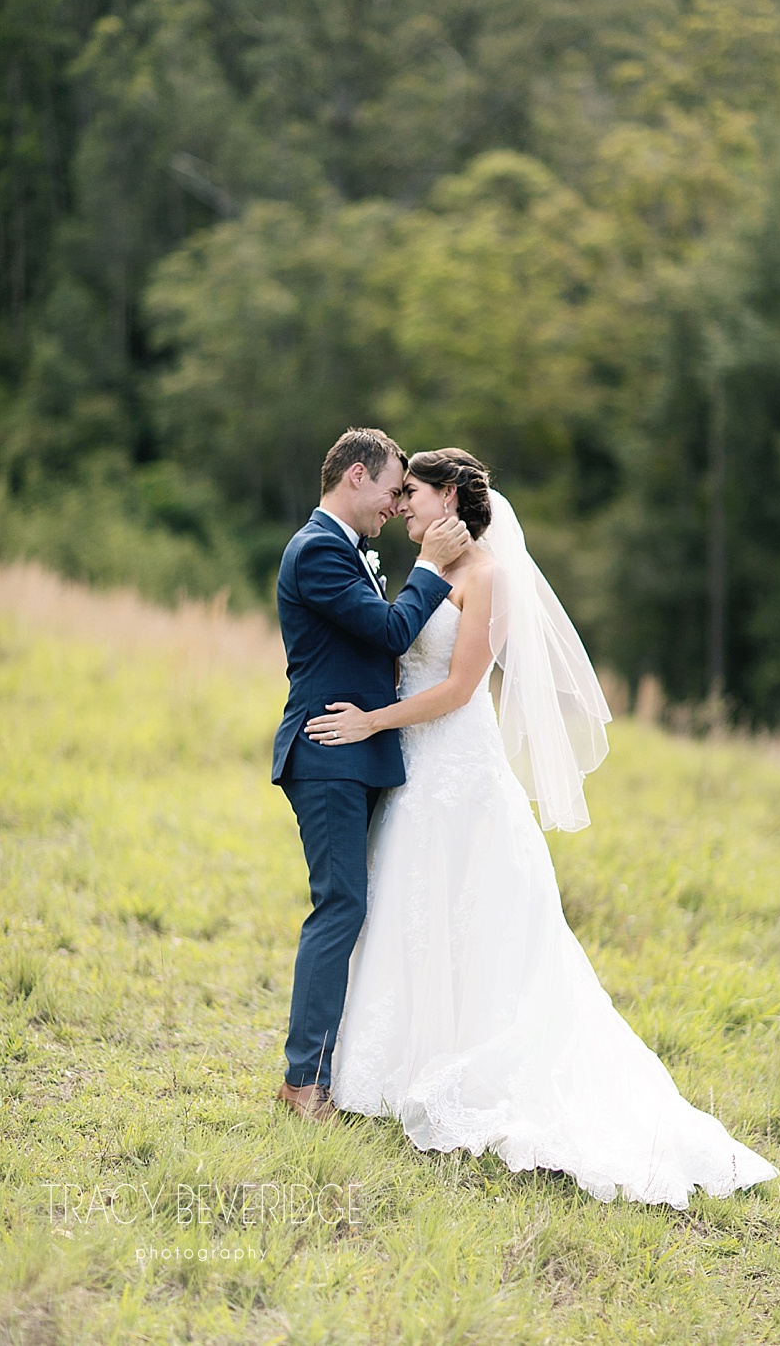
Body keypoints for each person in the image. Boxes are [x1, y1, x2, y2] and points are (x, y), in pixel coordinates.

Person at [304, 447, 778, 1206]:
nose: (404, 507)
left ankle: (475, 1068)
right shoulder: (428, 565)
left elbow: (460, 689)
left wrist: (371, 722)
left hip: (459, 771)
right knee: (410, 910)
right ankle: (397, 1062)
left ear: (450, 496)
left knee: (472, 918)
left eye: (416, 494)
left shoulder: (488, 576)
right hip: (417, 777)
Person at [272, 428, 469, 1122]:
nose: (395, 505)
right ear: (356, 476)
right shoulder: (320, 548)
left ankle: (327, 1070)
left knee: (357, 906)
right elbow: (389, 633)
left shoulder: (347, 548)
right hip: (328, 753)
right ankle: (303, 1083)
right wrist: (434, 571)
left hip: (358, 755)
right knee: (341, 907)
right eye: (392, 489)